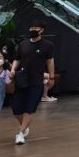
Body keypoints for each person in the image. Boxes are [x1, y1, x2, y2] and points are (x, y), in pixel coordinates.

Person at [10, 13, 56, 144]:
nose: (33, 30)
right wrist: (13, 70)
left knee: (30, 108)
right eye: (31, 28)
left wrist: (51, 77)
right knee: (16, 109)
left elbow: (50, 62)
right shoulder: (23, 44)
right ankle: (25, 126)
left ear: (42, 30)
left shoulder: (48, 45)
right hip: (22, 79)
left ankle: (20, 132)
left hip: (36, 80)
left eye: (36, 28)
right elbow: (17, 59)